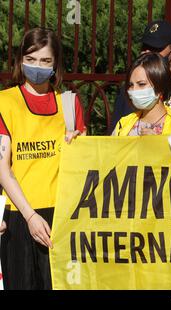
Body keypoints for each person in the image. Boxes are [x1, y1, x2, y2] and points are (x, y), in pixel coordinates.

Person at [0, 27, 85, 289]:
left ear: (56, 64)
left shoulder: (70, 103)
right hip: (20, 214)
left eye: (45, 60)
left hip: (63, 216)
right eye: (31, 59)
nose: (37, 66)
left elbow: (86, 166)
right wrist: (30, 217)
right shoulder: (5, 102)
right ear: (20, 61)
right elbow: (3, 169)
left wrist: (77, 143)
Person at [112, 20, 171, 129]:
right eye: (144, 47)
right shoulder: (130, 88)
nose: (147, 53)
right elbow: (114, 136)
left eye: (155, 49)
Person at [112, 53, 171, 136]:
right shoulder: (123, 124)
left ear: (160, 86)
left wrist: (157, 144)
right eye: (131, 85)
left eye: (141, 84)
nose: (134, 90)